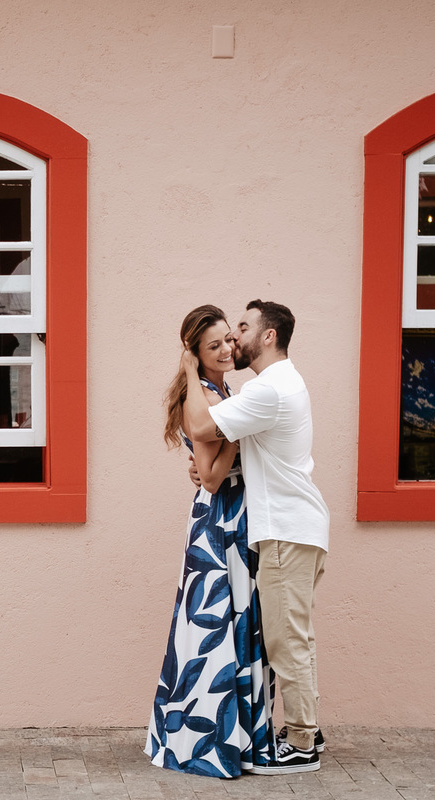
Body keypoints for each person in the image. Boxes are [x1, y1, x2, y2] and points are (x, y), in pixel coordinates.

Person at [180, 299, 330, 775]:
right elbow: (234, 453)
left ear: (268, 336)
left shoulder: (269, 390)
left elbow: (202, 425)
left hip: (286, 531)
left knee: (288, 641)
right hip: (295, 527)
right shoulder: (280, 384)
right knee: (290, 635)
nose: (235, 338)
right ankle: (306, 728)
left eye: (243, 327)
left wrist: (187, 367)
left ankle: (303, 743)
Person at [146, 305, 276, 778]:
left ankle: (236, 737)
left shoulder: (224, 389)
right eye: (213, 345)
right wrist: (240, 437)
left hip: (236, 516)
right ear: (195, 354)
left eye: (227, 339)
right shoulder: (201, 394)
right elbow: (212, 477)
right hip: (219, 519)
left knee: (239, 619)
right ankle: (206, 742)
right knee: (214, 626)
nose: (226, 349)